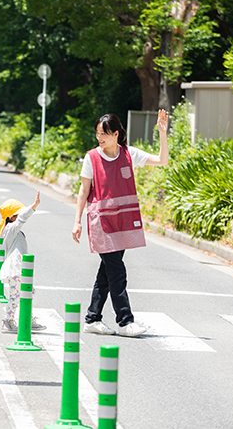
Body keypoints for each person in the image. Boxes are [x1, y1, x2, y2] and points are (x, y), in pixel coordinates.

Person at [72, 110, 169, 337]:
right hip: (101, 224)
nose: (99, 138)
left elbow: (162, 160)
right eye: (97, 133)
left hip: (123, 222)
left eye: (104, 134)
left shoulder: (129, 154)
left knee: (106, 273)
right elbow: (83, 191)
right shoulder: (91, 158)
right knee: (117, 271)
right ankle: (125, 321)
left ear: (116, 134)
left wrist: (162, 134)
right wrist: (77, 221)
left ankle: (92, 318)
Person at [0, 193, 46, 333]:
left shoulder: (12, 230)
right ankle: (8, 320)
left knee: (28, 293)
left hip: (22, 268)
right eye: (17, 214)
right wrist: (33, 206)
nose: (20, 216)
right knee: (15, 295)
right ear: (12, 217)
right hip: (15, 268)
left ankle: (27, 319)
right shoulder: (10, 229)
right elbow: (22, 219)